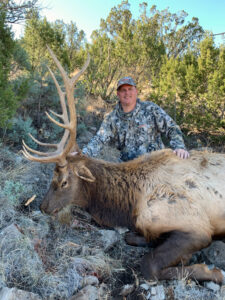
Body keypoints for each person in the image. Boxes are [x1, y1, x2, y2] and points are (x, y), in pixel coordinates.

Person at [82, 76, 189, 161]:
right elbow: (99, 139)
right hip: (128, 169)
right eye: (123, 90)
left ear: (136, 91)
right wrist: (83, 154)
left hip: (155, 165)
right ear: (118, 94)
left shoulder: (151, 109)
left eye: (130, 89)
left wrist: (179, 147)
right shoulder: (111, 118)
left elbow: (171, 128)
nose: (127, 93)